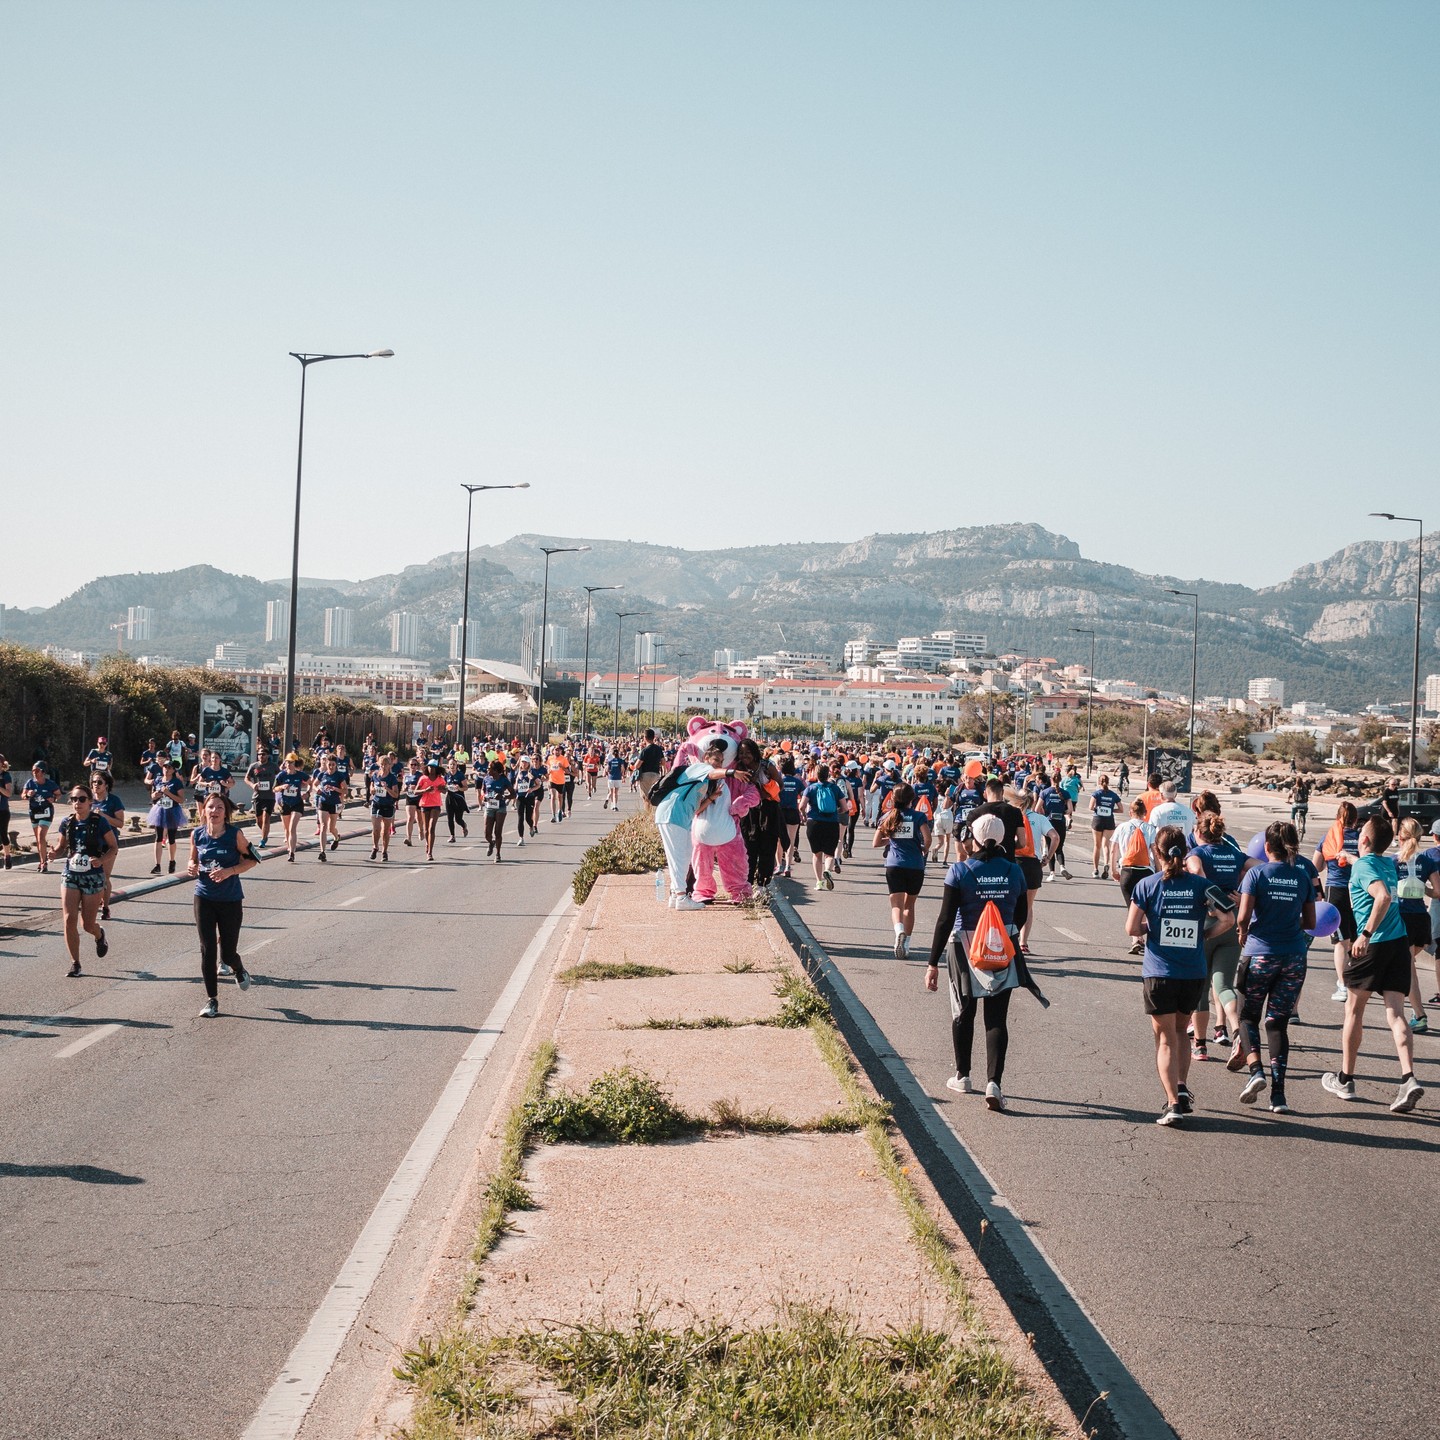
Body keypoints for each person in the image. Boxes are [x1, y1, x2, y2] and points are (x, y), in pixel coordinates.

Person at [924, 812, 1047, 1112]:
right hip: (1001, 945)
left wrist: (932, 962)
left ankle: (962, 1076)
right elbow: (1020, 915)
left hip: (965, 946)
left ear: (974, 838)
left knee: (964, 1012)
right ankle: (995, 1083)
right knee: (996, 1018)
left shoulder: (959, 871)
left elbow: (944, 920)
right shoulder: (1013, 871)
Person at [1127, 825, 1234, 1125]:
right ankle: (1183, 1087)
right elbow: (1228, 918)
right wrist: (1204, 935)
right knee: (1180, 1031)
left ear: (1156, 852)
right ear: (1185, 853)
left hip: (1159, 973)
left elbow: (1132, 929)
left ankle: (1173, 1103)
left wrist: (1153, 928)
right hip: (1192, 972)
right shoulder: (1203, 886)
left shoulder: (1147, 885)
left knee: (1164, 1039)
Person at [1321, 815, 1424, 1113]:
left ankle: (1345, 1079)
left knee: (1353, 1010)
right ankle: (1408, 1078)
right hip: (1397, 944)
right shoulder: (1385, 864)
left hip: (1373, 945)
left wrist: (1364, 934)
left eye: (1361, 834)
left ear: (1364, 840)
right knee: (1396, 1014)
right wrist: (1351, 858)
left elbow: (1382, 896)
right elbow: (1370, 871)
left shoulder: (1368, 866)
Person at [1234, 822, 1315, 1113]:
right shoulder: (1303, 877)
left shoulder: (1256, 874)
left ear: (1267, 847)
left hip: (1261, 953)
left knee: (1247, 1016)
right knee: (1278, 1024)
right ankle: (1278, 1095)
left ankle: (1256, 1071)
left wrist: (1244, 932)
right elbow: (1312, 923)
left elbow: (1243, 917)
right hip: (1293, 956)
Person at [1185, 811, 1250, 1063]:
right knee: (1223, 986)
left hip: (1208, 921)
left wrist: (1214, 902)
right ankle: (1237, 1033)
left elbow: (1198, 874)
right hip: (1232, 924)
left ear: (1198, 833)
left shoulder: (1197, 853)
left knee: (1200, 986)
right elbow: (1261, 869)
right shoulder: (1235, 854)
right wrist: (1241, 897)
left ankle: (1200, 1046)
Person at [188, 792, 259, 1018]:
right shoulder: (197, 834)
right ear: (204, 811)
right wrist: (191, 866)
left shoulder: (234, 835)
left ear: (225, 813)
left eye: (220, 807)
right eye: (211, 807)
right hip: (204, 897)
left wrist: (230, 871)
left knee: (227, 955)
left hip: (230, 900)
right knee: (207, 949)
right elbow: (193, 859)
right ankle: (212, 1000)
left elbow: (253, 859)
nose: (215, 811)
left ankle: (238, 968)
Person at [50, 783, 118, 977]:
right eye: (74, 799)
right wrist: (55, 853)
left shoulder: (99, 822)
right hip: (71, 874)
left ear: (90, 802)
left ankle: (99, 934)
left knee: (87, 924)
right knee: (69, 919)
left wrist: (101, 860)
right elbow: (62, 846)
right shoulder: (67, 822)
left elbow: (113, 847)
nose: (77, 803)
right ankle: (75, 963)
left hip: (93, 877)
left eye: (81, 799)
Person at [873, 782, 931, 959]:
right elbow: (928, 840)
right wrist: (922, 849)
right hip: (915, 865)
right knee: (909, 905)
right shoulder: (919, 816)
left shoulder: (888, 817)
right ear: (911, 799)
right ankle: (906, 945)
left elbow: (876, 842)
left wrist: (891, 840)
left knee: (896, 905)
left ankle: (898, 931)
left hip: (894, 865)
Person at [1394, 817, 1439, 1033]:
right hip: (1422, 919)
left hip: (1403, 918)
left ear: (1399, 836)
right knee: (1408, 963)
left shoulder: (1393, 860)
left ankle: (1420, 1014)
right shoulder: (1426, 860)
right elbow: (1438, 892)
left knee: (1408, 968)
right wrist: (1423, 890)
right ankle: (1414, 1010)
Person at [1314, 801, 1361, 1003]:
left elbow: (1316, 866)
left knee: (1341, 940)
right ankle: (1356, 980)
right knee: (1357, 937)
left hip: (1336, 890)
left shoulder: (1329, 837)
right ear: (1356, 819)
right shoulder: (1361, 838)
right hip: (1358, 891)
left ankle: (1342, 984)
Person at [798, 762, 845, 892]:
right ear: (828, 774)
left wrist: (804, 815)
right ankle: (828, 871)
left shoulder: (811, 788)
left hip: (814, 823)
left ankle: (819, 882)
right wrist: (837, 812)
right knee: (829, 854)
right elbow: (845, 807)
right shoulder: (835, 789)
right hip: (831, 823)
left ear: (816, 775)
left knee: (816, 854)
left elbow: (801, 806)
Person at [90, 773, 125, 921]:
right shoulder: (88, 800)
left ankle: (106, 907)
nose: (96, 785)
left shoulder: (114, 801)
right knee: (91, 875)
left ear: (106, 785)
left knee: (104, 876)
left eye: (99, 782)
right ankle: (94, 902)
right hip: (92, 843)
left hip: (109, 844)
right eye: (93, 782)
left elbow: (120, 823)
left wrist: (104, 817)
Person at [146, 759, 186, 874]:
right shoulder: (158, 779)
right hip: (159, 810)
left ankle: (172, 861)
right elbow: (152, 796)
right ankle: (157, 864)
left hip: (172, 810)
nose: (166, 769)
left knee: (171, 838)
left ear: (173, 770)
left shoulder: (176, 782)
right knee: (158, 837)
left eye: (169, 767)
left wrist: (168, 793)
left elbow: (181, 799)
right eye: (165, 767)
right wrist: (154, 795)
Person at [23, 763, 59, 873]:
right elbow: (23, 795)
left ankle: (44, 863)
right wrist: (28, 794)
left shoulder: (50, 784)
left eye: (37, 770)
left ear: (43, 772)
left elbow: (58, 794)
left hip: (46, 812)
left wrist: (53, 798)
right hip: (34, 813)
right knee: (38, 839)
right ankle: (41, 860)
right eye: (33, 770)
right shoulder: (30, 783)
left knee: (41, 835)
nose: (34, 772)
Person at [1038, 772, 1073, 880]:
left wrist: (1044, 813)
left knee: (1050, 848)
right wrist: (1063, 812)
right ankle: (1062, 867)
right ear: (1060, 780)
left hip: (1049, 822)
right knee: (1059, 847)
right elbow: (1070, 810)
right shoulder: (1065, 793)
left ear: (1051, 779)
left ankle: (1052, 873)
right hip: (1061, 822)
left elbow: (1037, 808)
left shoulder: (1045, 792)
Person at [275, 752, 309, 862]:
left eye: (291, 762)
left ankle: (292, 853)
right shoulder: (281, 775)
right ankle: (289, 848)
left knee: (292, 827)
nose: (288, 764)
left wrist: (307, 793)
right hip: (285, 804)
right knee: (286, 829)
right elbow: (274, 789)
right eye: (287, 762)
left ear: (295, 763)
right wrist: (281, 787)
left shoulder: (300, 775)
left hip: (297, 803)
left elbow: (311, 782)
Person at [311, 754, 345, 862]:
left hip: (334, 803)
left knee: (331, 828)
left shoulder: (339, 776)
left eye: (333, 765)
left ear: (336, 765)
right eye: (329, 764)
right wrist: (317, 790)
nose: (331, 766)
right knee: (323, 826)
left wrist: (336, 789)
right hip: (323, 802)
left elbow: (345, 790)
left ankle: (336, 837)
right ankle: (322, 852)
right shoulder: (322, 774)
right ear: (326, 764)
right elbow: (314, 785)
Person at [480, 758, 514, 861]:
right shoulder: (486, 778)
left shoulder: (503, 779)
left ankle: (498, 854)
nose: (487, 770)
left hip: (500, 807)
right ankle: (491, 843)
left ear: (495, 770)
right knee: (487, 833)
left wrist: (503, 796)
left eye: (489, 768)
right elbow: (483, 790)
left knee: (498, 832)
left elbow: (513, 794)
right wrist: (484, 796)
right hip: (489, 806)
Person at [1089, 774, 1122, 878]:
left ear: (1099, 782)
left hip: (1098, 819)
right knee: (1106, 845)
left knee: (1097, 846)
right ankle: (1106, 864)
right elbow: (1121, 809)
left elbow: (1090, 807)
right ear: (1108, 782)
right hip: (1109, 820)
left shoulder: (1096, 794)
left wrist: (1099, 809)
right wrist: (1111, 810)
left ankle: (1095, 870)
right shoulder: (1113, 795)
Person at [369, 753, 400, 861]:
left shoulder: (392, 778)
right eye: (381, 764)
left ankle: (384, 851)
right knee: (376, 829)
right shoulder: (375, 775)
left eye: (385, 764)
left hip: (388, 805)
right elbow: (371, 787)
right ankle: (375, 847)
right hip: (377, 804)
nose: (383, 766)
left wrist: (387, 788)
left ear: (389, 765)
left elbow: (396, 794)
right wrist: (372, 790)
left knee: (385, 831)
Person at [246, 745, 277, 848]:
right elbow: (247, 778)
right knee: (259, 820)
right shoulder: (254, 766)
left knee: (266, 818)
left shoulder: (273, 766)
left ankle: (263, 840)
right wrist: (252, 785)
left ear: (267, 755)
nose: (261, 756)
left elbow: (280, 776)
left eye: (263, 754)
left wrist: (277, 787)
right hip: (258, 796)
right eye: (259, 754)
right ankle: (265, 832)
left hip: (270, 796)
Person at [416, 758, 446, 861]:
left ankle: (430, 852)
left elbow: (445, 790)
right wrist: (425, 790)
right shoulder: (423, 778)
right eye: (429, 767)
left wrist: (441, 788)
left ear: (437, 768)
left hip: (436, 805)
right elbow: (415, 791)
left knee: (431, 828)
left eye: (433, 767)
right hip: (425, 805)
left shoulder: (440, 779)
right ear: (427, 767)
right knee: (426, 829)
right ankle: (427, 843)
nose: (431, 769)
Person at [513, 755, 541, 842]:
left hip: (529, 797)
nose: (523, 764)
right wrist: (514, 791)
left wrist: (531, 789)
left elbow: (538, 784)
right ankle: (521, 838)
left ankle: (531, 826)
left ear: (528, 763)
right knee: (520, 818)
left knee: (528, 818)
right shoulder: (519, 772)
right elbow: (516, 784)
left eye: (525, 762)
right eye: (522, 762)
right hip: (520, 797)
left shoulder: (532, 772)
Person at [443, 756, 471, 843]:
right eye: (451, 764)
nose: (452, 766)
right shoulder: (447, 776)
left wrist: (459, 788)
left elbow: (466, 787)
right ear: (448, 766)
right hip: (450, 798)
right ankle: (452, 836)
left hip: (459, 799)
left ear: (456, 766)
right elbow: (444, 788)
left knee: (458, 819)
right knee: (449, 818)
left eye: (454, 764)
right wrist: (444, 788)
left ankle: (464, 825)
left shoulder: (460, 775)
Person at [636, 728, 666, 806]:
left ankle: (647, 814)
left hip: (646, 775)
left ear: (645, 738)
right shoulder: (659, 749)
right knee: (654, 796)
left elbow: (637, 765)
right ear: (653, 737)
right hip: (656, 774)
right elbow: (663, 762)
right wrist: (656, 764)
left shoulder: (644, 750)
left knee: (646, 797)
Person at [0, 754, 12, 870]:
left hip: (3, 809)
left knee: (3, 834)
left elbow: (9, 793)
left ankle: (7, 856)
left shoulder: (5, 776)